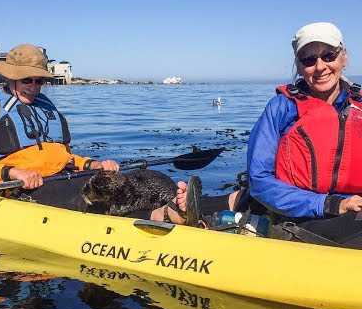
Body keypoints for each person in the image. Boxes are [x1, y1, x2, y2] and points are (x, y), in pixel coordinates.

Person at [154, 22, 362, 248]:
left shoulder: (358, 105)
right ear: (299, 66)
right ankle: (178, 212)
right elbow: (260, 181)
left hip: (352, 208)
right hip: (300, 212)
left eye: (328, 55)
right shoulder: (281, 108)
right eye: (309, 60)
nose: (320, 67)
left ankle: (207, 206)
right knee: (245, 199)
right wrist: (330, 204)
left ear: (343, 57)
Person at [0, 43, 119, 211]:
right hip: (21, 187)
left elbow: (63, 157)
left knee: (125, 188)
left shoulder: (46, 107)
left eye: (39, 81)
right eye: (26, 80)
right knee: (98, 204)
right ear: (10, 77)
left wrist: (92, 165)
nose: (33, 87)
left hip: (63, 177)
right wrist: (13, 173)